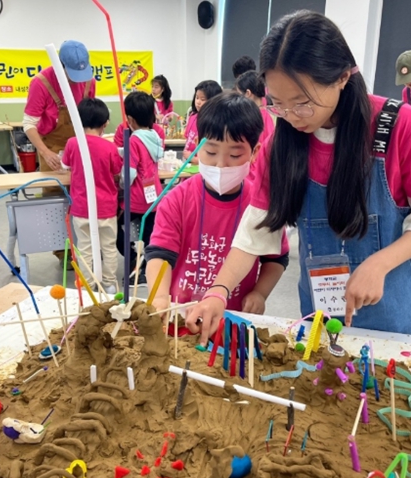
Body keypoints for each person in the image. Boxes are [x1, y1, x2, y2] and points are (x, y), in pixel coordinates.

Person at [185, 11, 411, 344]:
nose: (292, 117)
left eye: (302, 103)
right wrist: (218, 291)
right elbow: (255, 232)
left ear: (342, 77)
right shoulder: (280, 146)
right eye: (278, 104)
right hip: (320, 321)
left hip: (394, 320)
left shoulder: (400, 126)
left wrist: (379, 264)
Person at [145, 92, 289, 314]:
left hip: (232, 314)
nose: (221, 164)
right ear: (197, 146)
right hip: (180, 312)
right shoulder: (176, 199)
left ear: (254, 152)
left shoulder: (259, 205)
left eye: (235, 155)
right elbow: (160, 254)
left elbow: (277, 258)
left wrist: (260, 293)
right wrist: (160, 296)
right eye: (211, 152)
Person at [62, 98, 122, 294]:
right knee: (109, 247)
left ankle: (87, 285)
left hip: (81, 208)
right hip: (106, 208)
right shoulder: (110, 147)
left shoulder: (72, 143)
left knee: (85, 248)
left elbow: (65, 165)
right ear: (105, 123)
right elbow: (117, 171)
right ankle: (110, 284)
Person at [23, 40, 96, 190]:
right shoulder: (41, 83)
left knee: (83, 190)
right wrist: (45, 152)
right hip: (52, 147)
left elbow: (90, 118)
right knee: (55, 192)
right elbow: (29, 124)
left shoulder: (89, 81)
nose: (78, 80)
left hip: (80, 146)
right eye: (73, 74)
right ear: (60, 65)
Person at [119, 91, 165, 283]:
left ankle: (133, 261)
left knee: (117, 231)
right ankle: (146, 268)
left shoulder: (134, 140)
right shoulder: (155, 136)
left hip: (135, 199)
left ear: (130, 119)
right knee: (150, 238)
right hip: (154, 198)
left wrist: (122, 185)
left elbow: (129, 174)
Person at [182, 80, 223, 165]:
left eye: (202, 99)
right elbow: (187, 138)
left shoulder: (215, 123)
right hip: (188, 164)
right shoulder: (193, 116)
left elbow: (214, 154)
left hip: (202, 166)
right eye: (197, 98)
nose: (198, 102)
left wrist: (195, 159)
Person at [235, 70, 276, 144]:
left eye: (239, 94)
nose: (238, 99)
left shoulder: (253, 118)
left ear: (248, 93)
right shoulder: (269, 110)